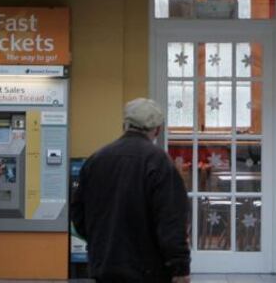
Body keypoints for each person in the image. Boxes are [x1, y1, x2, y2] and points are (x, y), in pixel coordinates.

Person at [72, 98, 191, 283]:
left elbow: (78, 213)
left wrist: (100, 241)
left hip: (104, 266)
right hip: (149, 270)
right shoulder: (160, 163)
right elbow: (172, 220)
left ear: (124, 125)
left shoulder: (97, 159)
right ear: (158, 129)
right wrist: (180, 267)